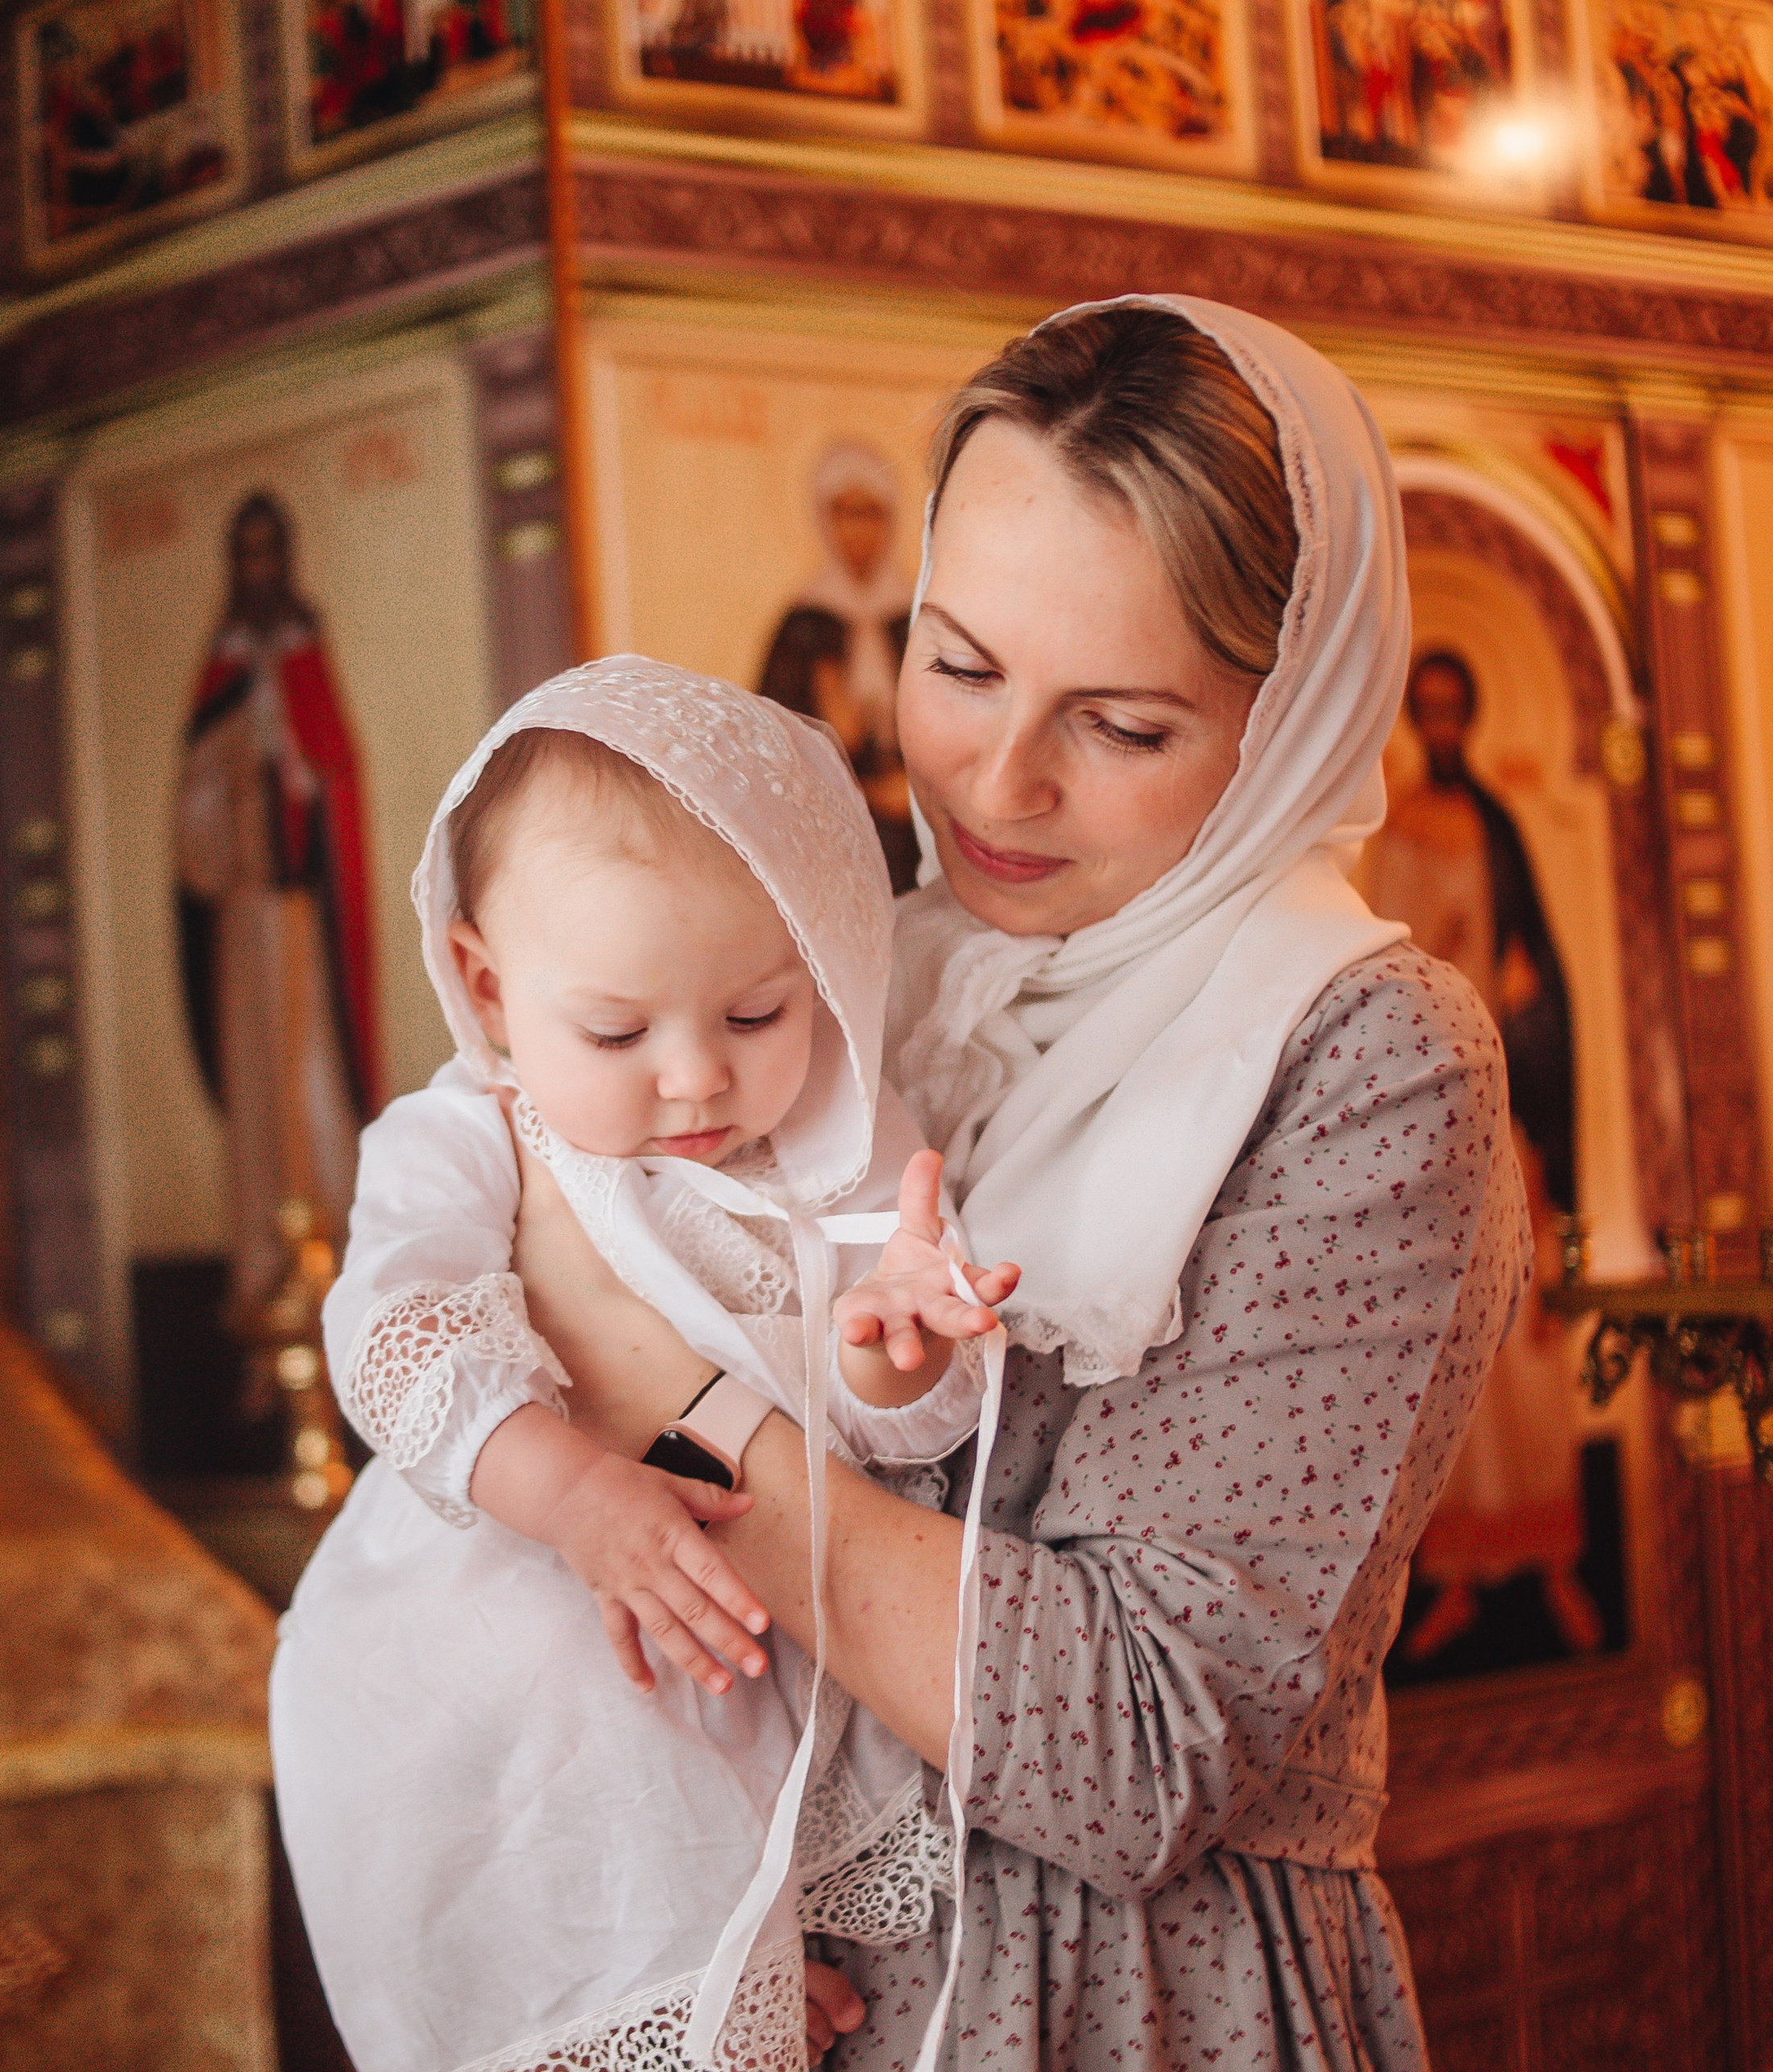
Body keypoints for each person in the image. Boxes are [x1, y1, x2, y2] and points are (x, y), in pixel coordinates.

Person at [506, 296, 1531, 2067]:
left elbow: (1135, 1751)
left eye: (1120, 726)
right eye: (960, 664)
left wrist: (652, 1383)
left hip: (1120, 2001)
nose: (995, 778)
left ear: (1291, 722)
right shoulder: (841, 977)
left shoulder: (1364, 1058)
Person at [269, 660, 1019, 2071]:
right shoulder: (473, 1132)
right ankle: (672, 1995)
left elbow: (885, 1433)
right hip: (513, 1615)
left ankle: (729, 1974)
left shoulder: (843, 1139)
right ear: (488, 986)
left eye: (757, 1015)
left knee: (718, 1832)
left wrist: (895, 1354)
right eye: (618, 1032)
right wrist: (572, 1495)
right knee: (562, 1774)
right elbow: (396, 1333)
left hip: (760, 1649)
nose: (695, 1080)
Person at [1366, 649, 1600, 1662]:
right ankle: (1456, 1576)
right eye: (1429, 710)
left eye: (1456, 707)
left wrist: (1520, 990)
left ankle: (1552, 1560)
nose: (1444, 724)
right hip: (1438, 1107)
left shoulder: (1497, 826)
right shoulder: (1399, 830)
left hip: (1502, 1100)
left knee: (1527, 1347)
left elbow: (1533, 963)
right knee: (1456, 1352)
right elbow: (1391, 957)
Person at [176, 491, 380, 1322]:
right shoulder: (221, 668)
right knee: (259, 1093)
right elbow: (192, 814)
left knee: (316, 1081)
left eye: (270, 552)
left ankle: (341, 1270)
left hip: (302, 914)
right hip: (242, 918)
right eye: (246, 554)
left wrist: (295, 770)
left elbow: (336, 773)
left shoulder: (304, 650)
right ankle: (264, 1278)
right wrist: (227, 799)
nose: (259, 571)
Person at [760, 444, 921, 894]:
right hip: (830, 825)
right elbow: (771, 735)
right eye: (845, 513)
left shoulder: (914, 618)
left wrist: (916, 790)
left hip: (914, 820)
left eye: (871, 514)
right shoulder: (803, 625)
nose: (858, 530)